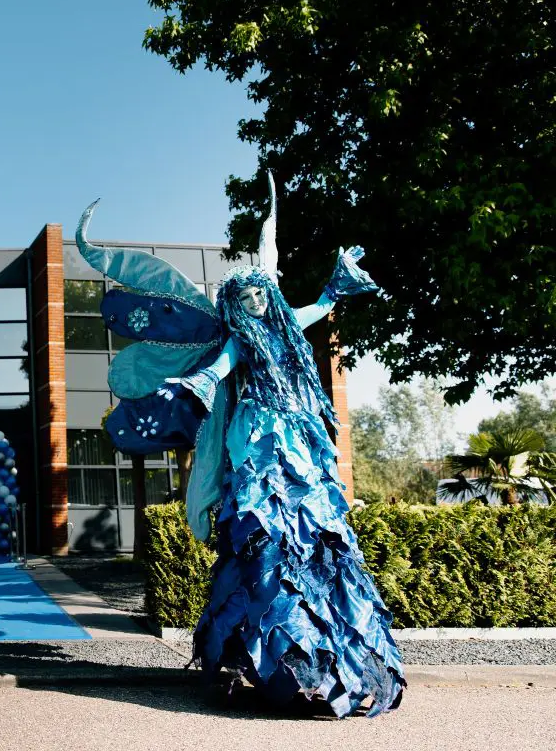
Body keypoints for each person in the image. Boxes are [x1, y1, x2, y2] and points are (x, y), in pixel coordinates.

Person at [76, 177, 405, 717]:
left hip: (299, 437)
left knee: (315, 531)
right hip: (257, 437)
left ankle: (326, 664)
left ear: (268, 296)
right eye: (246, 296)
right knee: (262, 528)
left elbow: (319, 307)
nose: (255, 300)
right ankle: (270, 658)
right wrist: (195, 384)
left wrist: (336, 284)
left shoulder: (285, 331)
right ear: (235, 305)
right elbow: (220, 368)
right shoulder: (237, 339)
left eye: (259, 293)